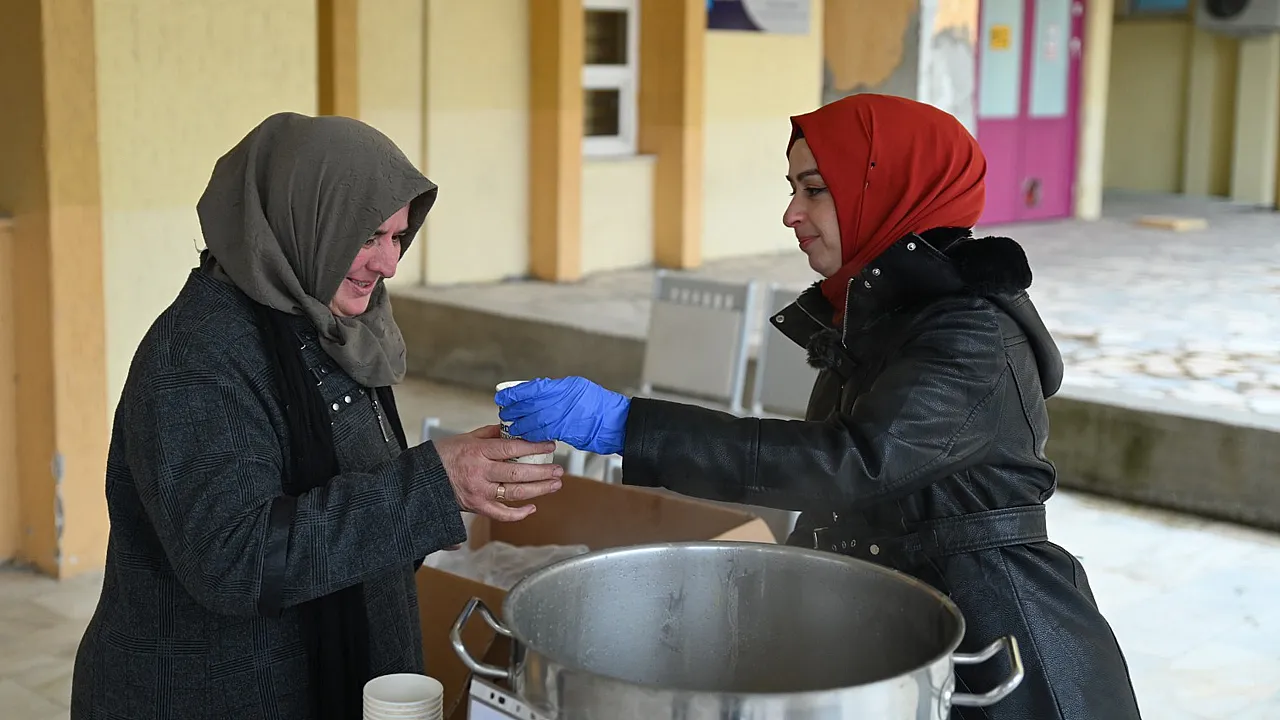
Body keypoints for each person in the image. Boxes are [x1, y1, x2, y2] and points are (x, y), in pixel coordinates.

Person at [495, 94, 1142, 719]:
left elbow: (849, 462)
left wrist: (627, 426)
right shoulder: (881, 314)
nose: (791, 214)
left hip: (997, 647)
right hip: (897, 611)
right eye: (793, 188)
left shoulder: (967, 332)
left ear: (891, 187)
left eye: (815, 189)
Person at [70, 113, 564, 720]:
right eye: (367, 237)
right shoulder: (198, 357)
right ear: (303, 221)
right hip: (209, 694)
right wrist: (432, 484)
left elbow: (354, 506)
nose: (388, 264)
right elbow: (236, 561)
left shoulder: (331, 330)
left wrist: (450, 480)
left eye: (397, 238)